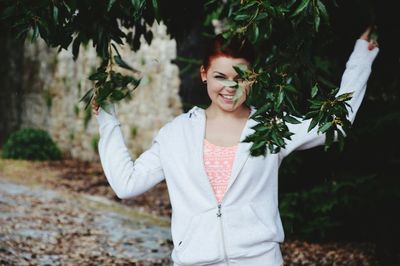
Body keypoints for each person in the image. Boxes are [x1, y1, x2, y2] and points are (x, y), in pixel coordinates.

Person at [92, 27, 378, 266]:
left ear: (253, 78)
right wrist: (107, 118)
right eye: (220, 76)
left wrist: (360, 59)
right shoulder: (176, 135)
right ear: (204, 73)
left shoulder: (271, 128)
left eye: (240, 78)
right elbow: (126, 184)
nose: (230, 87)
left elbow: (336, 124)